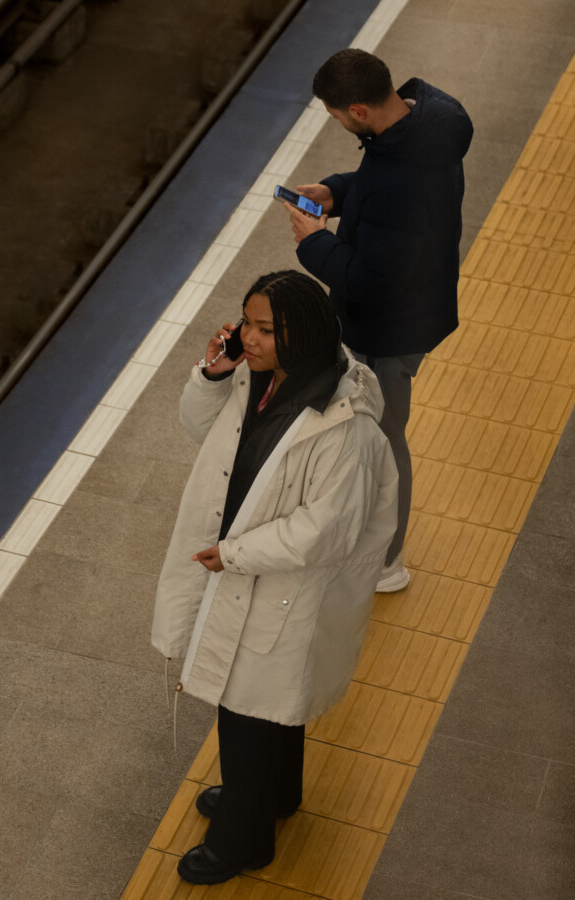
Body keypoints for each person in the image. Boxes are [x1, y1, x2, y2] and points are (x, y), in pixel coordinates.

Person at [152, 270, 397, 885]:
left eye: (266, 329)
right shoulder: (258, 378)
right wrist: (211, 374)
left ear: (303, 333)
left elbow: (326, 530)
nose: (250, 338)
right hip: (254, 571)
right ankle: (274, 798)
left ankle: (243, 840)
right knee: (270, 710)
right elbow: (205, 433)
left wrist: (233, 556)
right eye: (248, 323)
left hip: (284, 584)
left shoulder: (346, 427)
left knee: (245, 715)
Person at [281, 49, 472, 592]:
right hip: (413, 305)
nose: (339, 124)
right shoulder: (421, 122)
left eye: (338, 115)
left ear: (359, 110)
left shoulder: (400, 176)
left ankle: (386, 562)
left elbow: (368, 279)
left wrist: (312, 243)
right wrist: (337, 193)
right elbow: (379, 177)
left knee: (385, 440)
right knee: (372, 432)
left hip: (392, 329)